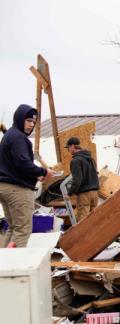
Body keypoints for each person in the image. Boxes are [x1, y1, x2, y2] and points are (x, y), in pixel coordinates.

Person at [0, 104, 56, 247]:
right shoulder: (19, 138)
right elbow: (23, 163)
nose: (31, 125)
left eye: (33, 122)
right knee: (22, 230)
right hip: (16, 190)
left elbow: (14, 165)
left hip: (5, 187)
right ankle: (15, 267)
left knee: (13, 228)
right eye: (28, 120)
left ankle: (4, 264)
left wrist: (35, 176)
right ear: (19, 119)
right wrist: (44, 172)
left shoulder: (10, 135)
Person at [65, 137, 99, 221]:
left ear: (72, 146)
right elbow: (95, 174)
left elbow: (77, 179)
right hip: (95, 193)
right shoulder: (91, 159)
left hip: (84, 194)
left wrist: (69, 193)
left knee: (83, 221)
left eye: (68, 148)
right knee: (94, 220)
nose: (68, 150)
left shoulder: (76, 161)